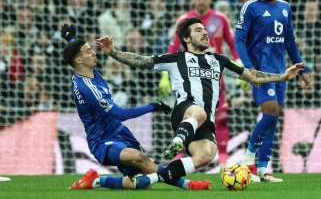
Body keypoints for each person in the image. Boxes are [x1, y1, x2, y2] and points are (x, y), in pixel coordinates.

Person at [96, 17, 304, 189]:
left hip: (205, 121)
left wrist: (283, 77)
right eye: (198, 30)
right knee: (200, 112)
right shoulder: (176, 58)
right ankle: (178, 140)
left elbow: (253, 76)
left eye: (205, 29)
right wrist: (113, 53)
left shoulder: (219, 61)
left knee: (206, 156)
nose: (205, 33)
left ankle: (144, 179)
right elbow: (142, 60)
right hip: (185, 111)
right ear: (186, 38)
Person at [60, 24, 210, 190]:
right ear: (79, 60)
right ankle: (190, 185)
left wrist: (70, 38)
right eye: (89, 52)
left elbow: (74, 53)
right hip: (101, 140)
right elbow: (121, 113)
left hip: (119, 132)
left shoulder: (84, 67)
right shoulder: (87, 88)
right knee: (140, 158)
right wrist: (153, 106)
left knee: (139, 181)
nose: (94, 52)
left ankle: (95, 181)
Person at [234, 0, 311, 182]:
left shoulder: (285, 7)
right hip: (260, 72)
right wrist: (249, 67)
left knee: (273, 117)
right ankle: (247, 159)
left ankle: (262, 169)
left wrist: (301, 69)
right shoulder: (251, 7)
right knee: (270, 112)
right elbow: (239, 40)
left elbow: (290, 42)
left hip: (281, 73)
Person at [158, 0, 240, 164]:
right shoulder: (184, 21)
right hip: (189, 77)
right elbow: (173, 48)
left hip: (214, 77)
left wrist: (238, 61)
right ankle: (179, 154)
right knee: (187, 115)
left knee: (221, 117)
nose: (201, 1)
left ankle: (223, 160)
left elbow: (233, 44)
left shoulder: (220, 19)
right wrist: (164, 76)